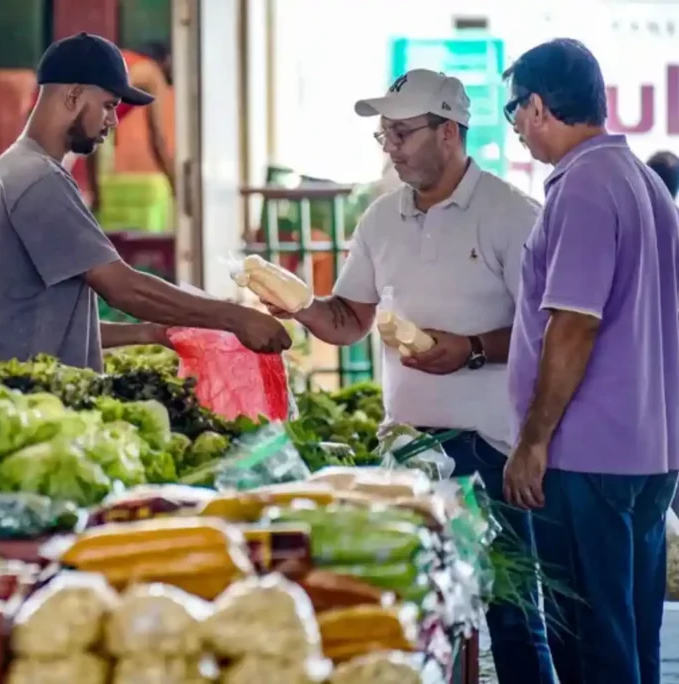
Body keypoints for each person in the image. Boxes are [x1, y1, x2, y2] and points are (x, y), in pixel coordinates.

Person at [268, 69, 554, 683]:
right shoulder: (379, 219)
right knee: (425, 615)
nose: (391, 148)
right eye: (384, 136)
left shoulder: (510, 214)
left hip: (493, 450)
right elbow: (348, 321)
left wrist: (472, 349)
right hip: (409, 452)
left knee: (512, 614)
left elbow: (548, 332)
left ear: (448, 132)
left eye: (402, 133)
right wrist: (296, 304)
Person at [503, 38, 679, 684]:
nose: (516, 127)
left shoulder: (583, 187)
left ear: (540, 106)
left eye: (513, 110)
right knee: (629, 633)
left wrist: (533, 441)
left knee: (592, 647)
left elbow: (574, 326)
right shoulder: (645, 185)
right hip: (647, 453)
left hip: (587, 458)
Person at [0, 32, 290, 375]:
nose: (114, 121)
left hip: (22, 393)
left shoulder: (19, 167)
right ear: (73, 95)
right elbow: (121, 287)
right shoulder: (38, 178)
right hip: (25, 408)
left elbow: (46, 327)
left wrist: (152, 332)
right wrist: (234, 316)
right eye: (108, 105)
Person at [30, 39, 176, 209]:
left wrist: (95, 192)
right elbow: (158, 139)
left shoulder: (123, 62)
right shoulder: (151, 72)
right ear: (166, 60)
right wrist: (178, 186)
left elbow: (93, 138)